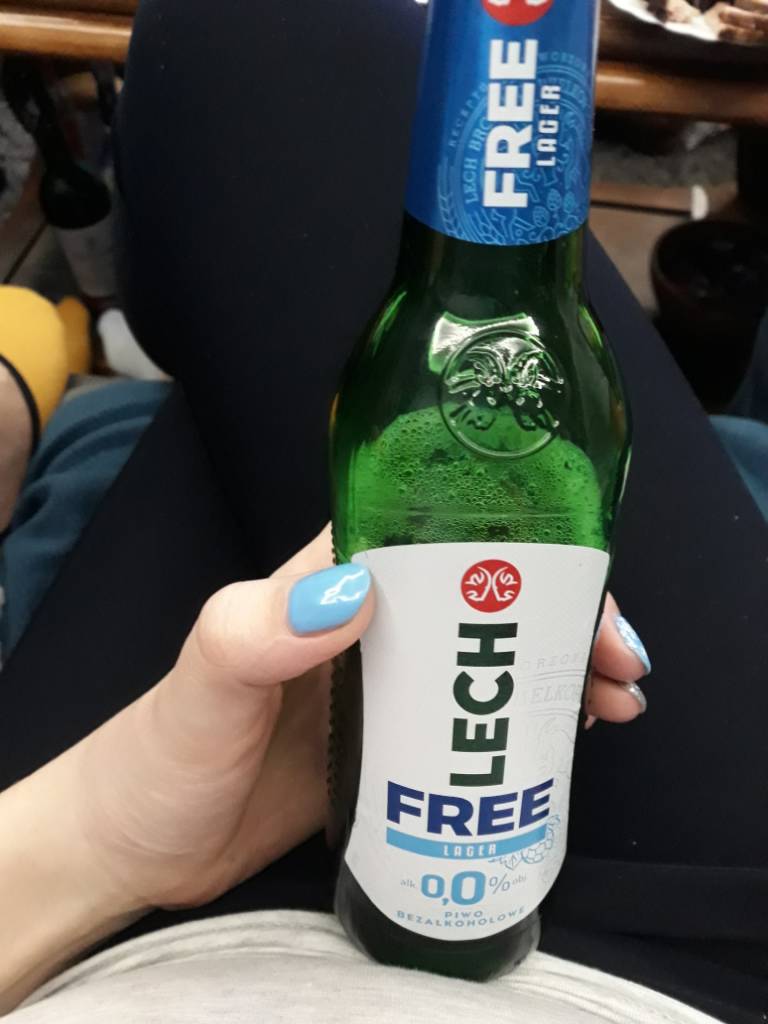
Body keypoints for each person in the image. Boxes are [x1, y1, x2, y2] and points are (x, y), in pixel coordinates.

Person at [0, 2, 766, 1022]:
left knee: (243, 33)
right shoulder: (454, 328)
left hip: (144, 913)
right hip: (649, 959)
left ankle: (48, 365)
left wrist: (103, 833)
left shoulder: (529, 327)